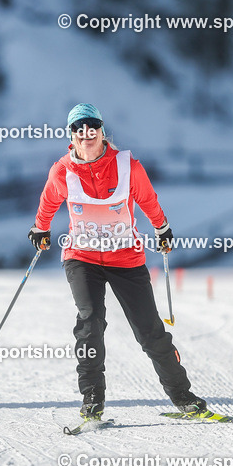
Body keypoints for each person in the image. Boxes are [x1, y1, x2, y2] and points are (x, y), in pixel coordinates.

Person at [28, 103, 206, 420]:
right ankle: (92, 399)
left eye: (92, 128)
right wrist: (40, 228)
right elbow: (49, 200)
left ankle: (183, 397)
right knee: (90, 321)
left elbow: (148, 199)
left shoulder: (127, 166)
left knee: (150, 332)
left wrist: (162, 228)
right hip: (81, 257)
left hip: (126, 257)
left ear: (102, 131)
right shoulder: (62, 171)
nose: (86, 135)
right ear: (72, 136)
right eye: (79, 129)